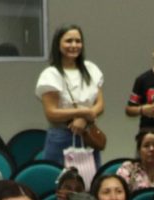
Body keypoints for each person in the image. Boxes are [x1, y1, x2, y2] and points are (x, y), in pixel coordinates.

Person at [35, 25, 107, 165]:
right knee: (59, 181)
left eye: (78, 41)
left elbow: (100, 104)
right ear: (58, 44)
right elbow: (51, 113)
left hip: (88, 134)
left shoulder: (91, 69)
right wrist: (83, 112)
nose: (74, 45)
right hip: (61, 135)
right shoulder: (51, 74)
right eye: (68, 41)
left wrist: (84, 119)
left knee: (90, 181)